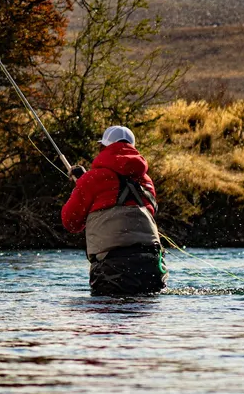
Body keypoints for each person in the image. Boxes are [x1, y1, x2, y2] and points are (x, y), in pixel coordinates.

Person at [62, 125, 167, 296]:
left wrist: (81, 185)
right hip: (153, 266)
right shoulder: (146, 181)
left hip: (112, 271)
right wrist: (85, 181)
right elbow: (120, 192)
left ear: (103, 148)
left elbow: (71, 222)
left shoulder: (92, 179)